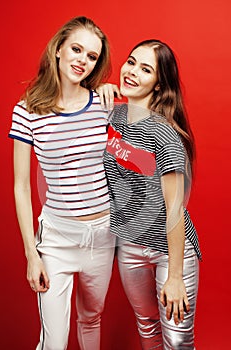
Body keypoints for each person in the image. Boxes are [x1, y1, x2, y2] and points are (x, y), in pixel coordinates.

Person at [9, 16, 116, 350]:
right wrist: (32, 253)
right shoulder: (26, 111)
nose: (82, 60)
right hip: (56, 239)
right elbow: (22, 187)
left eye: (92, 56)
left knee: (91, 319)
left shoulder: (104, 103)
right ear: (58, 49)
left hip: (102, 236)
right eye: (76, 49)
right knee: (54, 341)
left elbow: (139, 153)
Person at [101, 40, 202, 349]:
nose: (131, 72)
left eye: (145, 69)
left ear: (159, 86)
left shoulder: (164, 133)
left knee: (176, 339)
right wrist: (98, 94)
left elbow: (174, 209)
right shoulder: (111, 117)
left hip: (171, 251)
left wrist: (174, 277)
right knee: (147, 329)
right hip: (129, 245)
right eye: (131, 62)